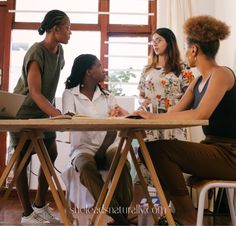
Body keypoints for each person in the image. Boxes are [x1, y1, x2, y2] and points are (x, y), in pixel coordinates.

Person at [133, 15, 236, 226]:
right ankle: (178, 214)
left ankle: (185, 216)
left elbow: (200, 115)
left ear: (194, 50)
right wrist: (141, 117)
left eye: (187, 48)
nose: (186, 52)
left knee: (159, 151)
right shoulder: (198, 81)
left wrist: (153, 117)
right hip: (213, 148)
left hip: (230, 154)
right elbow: (174, 114)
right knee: (149, 150)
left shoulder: (222, 74)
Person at [110, 28, 194, 210]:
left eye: (159, 40)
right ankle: (141, 214)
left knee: (171, 171)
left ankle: (171, 212)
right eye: (153, 41)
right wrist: (140, 104)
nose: (154, 44)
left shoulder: (183, 68)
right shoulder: (147, 69)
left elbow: (192, 96)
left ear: (169, 42)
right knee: (145, 169)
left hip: (173, 124)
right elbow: (141, 96)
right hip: (150, 125)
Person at [10, 9, 71, 224]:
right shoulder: (36, 52)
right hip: (24, 112)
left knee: (50, 153)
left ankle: (39, 206)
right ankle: (27, 214)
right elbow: (34, 92)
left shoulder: (60, 52)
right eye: (67, 27)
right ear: (55, 29)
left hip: (45, 111)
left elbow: (51, 84)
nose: (70, 32)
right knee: (22, 160)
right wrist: (58, 115)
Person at [62, 54, 134, 225]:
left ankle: (119, 216)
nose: (104, 69)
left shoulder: (107, 95)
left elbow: (113, 128)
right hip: (83, 148)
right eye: (100, 66)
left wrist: (114, 120)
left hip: (108, 145)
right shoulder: (70, 95)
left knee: (122, 162)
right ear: (89, 71)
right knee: (87, 167)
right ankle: (121, 219)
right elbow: (70, 122)